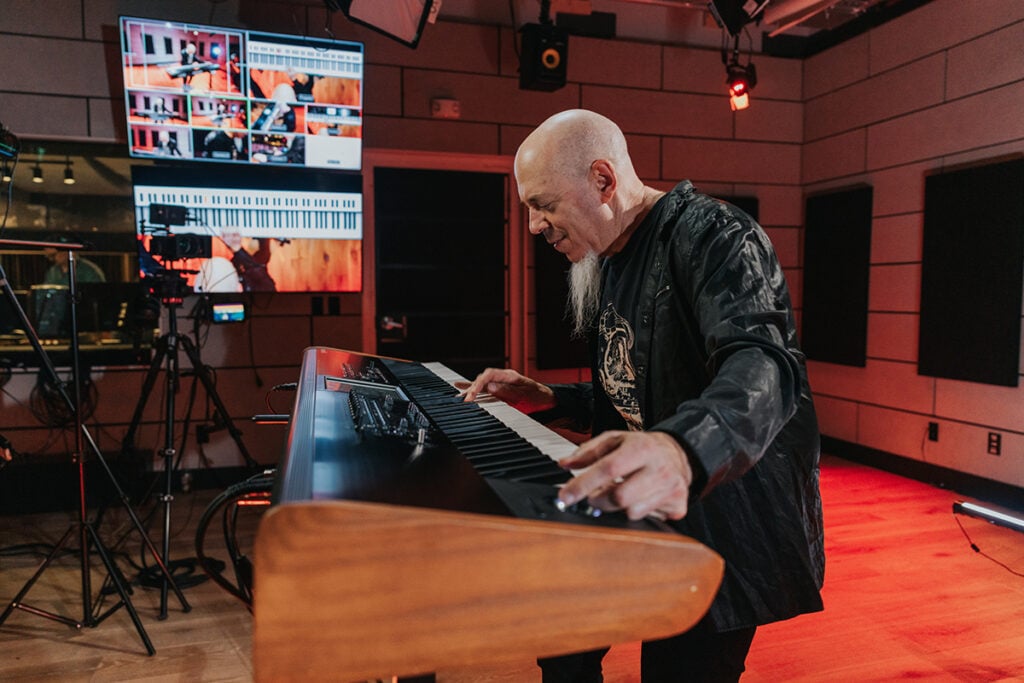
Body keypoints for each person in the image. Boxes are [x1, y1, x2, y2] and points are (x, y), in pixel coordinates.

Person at [460, 109, 825, 682]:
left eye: (542, 204)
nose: (533, 226)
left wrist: (681, 450)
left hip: (722, 518)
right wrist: (549, 397)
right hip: (648, 504)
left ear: (603, 181)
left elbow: (765, 367)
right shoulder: (612, 256)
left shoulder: (716, 235)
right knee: (562, 637)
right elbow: (640, 387)